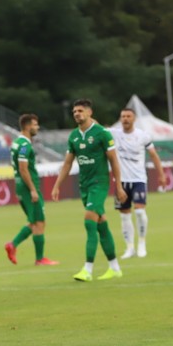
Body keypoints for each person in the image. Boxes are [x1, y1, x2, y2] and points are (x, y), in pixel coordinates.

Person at [51, 99, 127, 282]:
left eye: (80, 110)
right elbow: (68, 163)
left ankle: (87, 269)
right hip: (84, 186)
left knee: (89, 221)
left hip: (99, 184)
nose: (77, 113)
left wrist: (118, 185)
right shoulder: (74, 136)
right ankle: (115, 268)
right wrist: (56, 185)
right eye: (74, 111)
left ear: (89, 112)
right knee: (102, 225)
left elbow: (114, 161)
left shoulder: (101, 133)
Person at [111, 108, 166, 259]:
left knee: (140, 211)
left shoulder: (143, 136)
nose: (125, 119)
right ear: (120, 118)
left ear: (134, 119)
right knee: (124, 216)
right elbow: (96, 127)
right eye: (123, 116)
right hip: (120, 181)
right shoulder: (114, 134)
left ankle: (142, 243)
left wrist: (161, 174)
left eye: (128, 116)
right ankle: (129, 248)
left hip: (138, 179)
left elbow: (154, 155)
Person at [4, 113, 58, 266]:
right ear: (28, 126)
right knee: (40, 222)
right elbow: (23, 168)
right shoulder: (25, 145)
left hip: (21, 186)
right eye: (35, 124)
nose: (37, 127)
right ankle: (40, 259)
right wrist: (33, 190)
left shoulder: (17, 143)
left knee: (33, 221)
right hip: (28, 187)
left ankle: (12, 245)